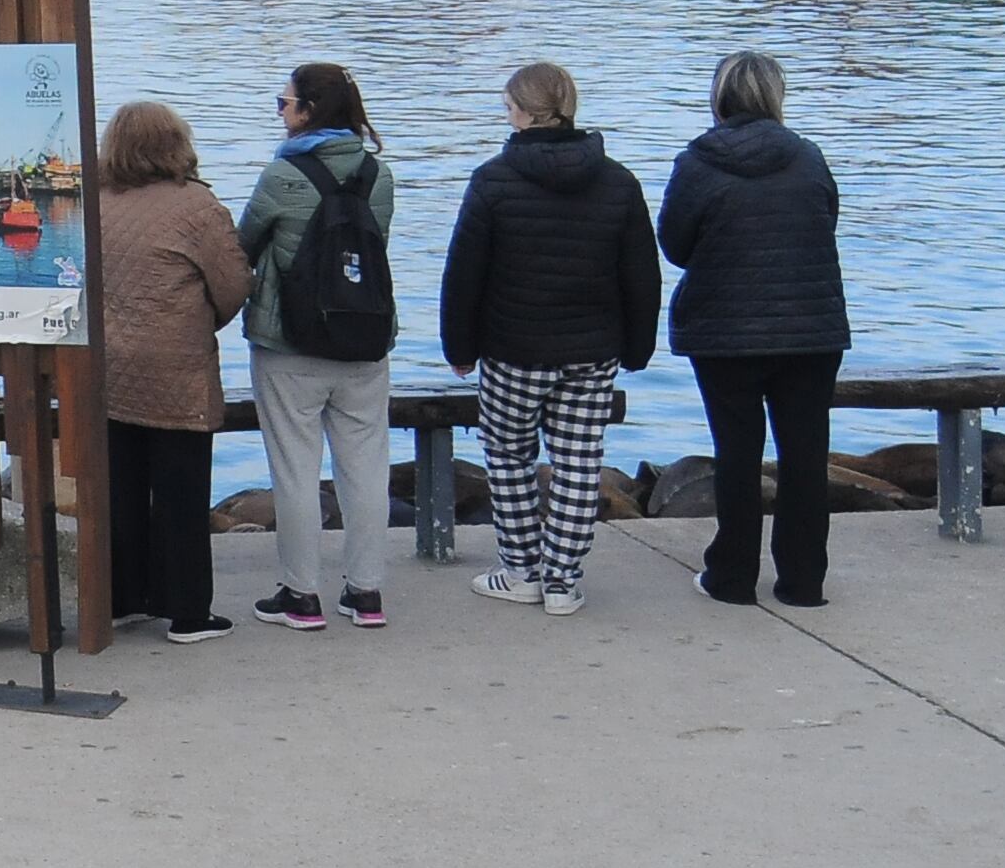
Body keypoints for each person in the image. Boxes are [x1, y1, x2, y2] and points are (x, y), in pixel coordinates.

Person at [438, 61, 659, 618]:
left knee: (508, 456)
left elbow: (465, 272)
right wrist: (638, 346)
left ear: (519, 110)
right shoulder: (619, 181)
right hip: (593, 349)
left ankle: (521, 569)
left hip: (514, 347)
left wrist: (459, 347)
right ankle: (563, 579)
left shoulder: (493, 179)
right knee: (580, 461)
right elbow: (641, 274)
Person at [660, 50, 850, 608]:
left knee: (737, 453)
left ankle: (733, 575)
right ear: (775, 96)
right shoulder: (809, 157)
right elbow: (826, 222)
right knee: (806, 455)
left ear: (719, 98)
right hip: (811, 329)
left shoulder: (697, 163)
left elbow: (674, 245)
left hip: (725, 331)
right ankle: (803, 580)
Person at [236, 61, 398, 632]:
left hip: (290, 346)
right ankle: (367, 592)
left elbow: (244, 247)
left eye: (283, 103)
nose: (280, 112)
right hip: (365, 341)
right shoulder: (378, 175)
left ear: (307, 111)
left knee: (296, 472)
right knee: (366, 469)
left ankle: (302, 597)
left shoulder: (281, 177)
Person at [94, 100, 247, 642]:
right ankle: (187, 612)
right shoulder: (197, 207)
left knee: (119, 488)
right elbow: (232, 286)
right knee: (181, 493)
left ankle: (119, 597)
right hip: (177, 371)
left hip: (105, 370)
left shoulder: (92, 203)